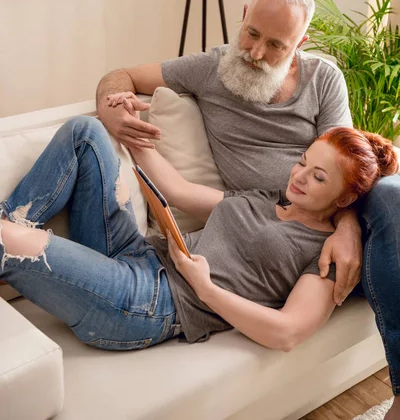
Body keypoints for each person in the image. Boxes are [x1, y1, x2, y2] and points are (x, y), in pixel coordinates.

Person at [96, 0, 400, 418]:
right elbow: (122, 75)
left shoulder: (322, 78)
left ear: (301, 42)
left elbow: (347, 161)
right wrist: (110, 107)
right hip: (289, 235)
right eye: (252, 34)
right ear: (242, 15)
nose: (256, 54)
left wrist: (349, 225)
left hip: (341, 212)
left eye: (276, 44)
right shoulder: (210, 68)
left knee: (391, 195)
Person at [0, 116, 397, 351]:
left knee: (8, 240)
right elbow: (181, 193)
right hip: (138, 252)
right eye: (303, 162)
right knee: (85, 132)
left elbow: (287, 333)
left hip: (151, 303)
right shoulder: (270, 196)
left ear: (345, 196)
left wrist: (205, 288)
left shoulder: (327, 256)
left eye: (318, 176)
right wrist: (129, 132)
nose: (299, 177)